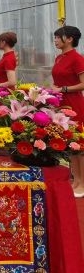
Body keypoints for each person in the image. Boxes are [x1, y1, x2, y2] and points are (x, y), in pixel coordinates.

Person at [50, 26, 84, 198]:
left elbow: (83, 84)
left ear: (69, 39)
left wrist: (63, 89)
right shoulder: (59, 58)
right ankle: (76, 179)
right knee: (70, 144)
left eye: (58, 37)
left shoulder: (77, 59)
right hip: (61, 104)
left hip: (74, 104)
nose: (55, 40)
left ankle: (82, 182)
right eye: (55, 37)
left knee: (79, 144)